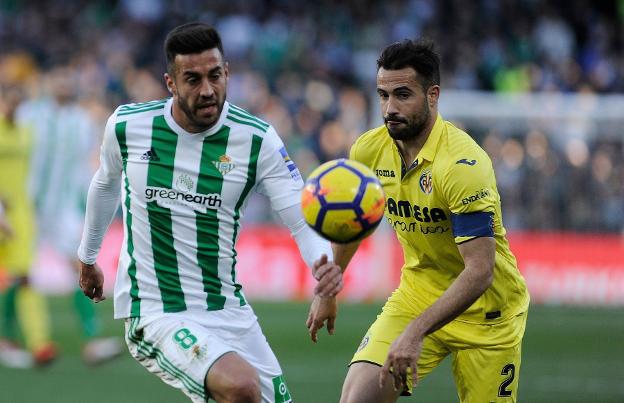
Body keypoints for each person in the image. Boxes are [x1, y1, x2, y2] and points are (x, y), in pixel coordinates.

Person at [77, 22, 343, 403]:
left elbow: (300, 217)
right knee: (239, 387)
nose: (207, 90)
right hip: (155, 310)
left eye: (215, 76)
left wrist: (323, 272)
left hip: (228, 309)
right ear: (171, 83)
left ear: (227, 72)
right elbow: (105, 184)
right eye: (193, 79)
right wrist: (87, 257)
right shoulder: (128, 126)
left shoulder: (257, 140)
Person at [307, 39, 530, 403]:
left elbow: (479, 271)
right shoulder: (367, 149)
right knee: (358, 397)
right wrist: (332, 284)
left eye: (402, 95)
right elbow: (354, 221)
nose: (389, 108)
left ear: (432, 95)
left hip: (488, 313)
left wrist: (415, 332)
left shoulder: (463, 166)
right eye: (383, 95)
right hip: (417, 295)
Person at [15, 65, 123, 365]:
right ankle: (8, 339)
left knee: (79, 267)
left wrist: (84, 202)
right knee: (19, 272)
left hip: (63, 208)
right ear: (49, 83)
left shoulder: (81, 122)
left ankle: (92, 340)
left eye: (67, 79)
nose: (63, 84)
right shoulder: (29, 114)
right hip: (29, 205)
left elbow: (86, 164)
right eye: (58, 78)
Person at [0, 84, 55, 368]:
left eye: (16, 102)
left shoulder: (26, 132)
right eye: (8, 101)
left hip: (19, 214)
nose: (12, 107)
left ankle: (39, 342)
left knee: (24, 278)